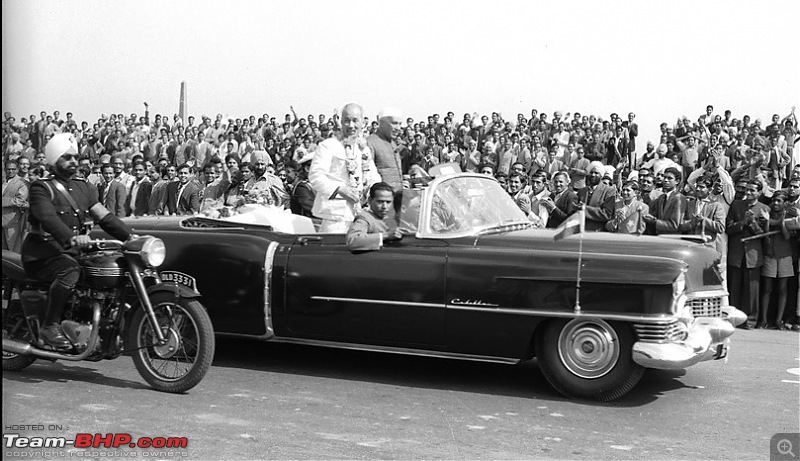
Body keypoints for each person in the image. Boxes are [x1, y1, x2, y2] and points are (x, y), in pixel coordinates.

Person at [21, 133, 131, 349]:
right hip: (42, 254)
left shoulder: (85, 188)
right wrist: (72, 238)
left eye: (75, 156)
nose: (73, 161)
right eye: (67, 157)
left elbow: (105, 216)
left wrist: (131, 237)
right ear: (54, 160)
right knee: (70, 271)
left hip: (69, 252)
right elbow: (48, 218)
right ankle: (49, 327)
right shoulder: (41, 188)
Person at [309, 103, 381, 233]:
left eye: (355, 120)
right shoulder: (329, 145)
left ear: (363, 122)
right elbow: (315, 176)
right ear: (341, 122)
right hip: (335, 216)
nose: (351, 125)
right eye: (347, 121)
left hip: (361, 214)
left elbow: (374, 176)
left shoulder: (363, 149)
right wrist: (341, 190)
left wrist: (372, 190)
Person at [726, 179, 770, 329]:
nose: (748, 193)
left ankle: (750, 321)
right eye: (747, 190)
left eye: (752, 190)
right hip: (736, 253)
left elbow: (764, 234)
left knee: (752, 289)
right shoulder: (736, 205)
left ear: (759, 192)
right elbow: (729, 228)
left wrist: (753, 223)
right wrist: (742, 222)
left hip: (753, 254)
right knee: (735, 287)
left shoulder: (764, 208)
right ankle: (733, 319)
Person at [758, 191, 797, 329]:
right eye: (774, 200)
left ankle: (778, 321)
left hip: (785, 255)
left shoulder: (789, 216)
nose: (775, 203)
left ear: (784, 203)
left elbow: (786, 236)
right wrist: (769, 221)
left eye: (779, 201)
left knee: (782, 289)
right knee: (767, 289)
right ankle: (763, 320)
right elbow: (765, 236)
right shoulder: (765, 214)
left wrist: (781, 222)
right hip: (770, 254)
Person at [345, 182, 403, 251]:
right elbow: (353, 241)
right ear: (370, 200)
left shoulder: (395, 217)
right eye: (380, 202)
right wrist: (386, 235)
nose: (384, 206)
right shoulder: (365, 218)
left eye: (388, 202)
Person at [367, 107, 404, 192]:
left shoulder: (393, 143)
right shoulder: (370, 143)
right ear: (382, 123)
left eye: (400, 124)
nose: (398, 128)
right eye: (394, 123)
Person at [643, 167, 686, 235]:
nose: (665, 180)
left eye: (669, 178)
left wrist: (655, 222)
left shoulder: (679, 198)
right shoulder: (661, 197)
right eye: (664, 177)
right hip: (660, 237)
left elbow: (675, 225)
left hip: (673, 238)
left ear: (677, 181)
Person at [575, 161, 616, 231]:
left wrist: (584, 208)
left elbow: (606, 214)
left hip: (598, 232)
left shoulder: (608, 191)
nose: (593, 175)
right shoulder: (582, 191)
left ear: (601, 175)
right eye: (591, 172)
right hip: (581, 230)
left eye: (596, 173)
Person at [2, 160, 29, 252]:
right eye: (8, 169)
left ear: (17, 170)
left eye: (13, 169)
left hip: (12, 220)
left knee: (13, 249)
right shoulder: (3, 181)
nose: (10, 171)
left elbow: (20, 200)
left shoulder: (22, 182)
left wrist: (3, 202)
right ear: (5, 169)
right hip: (3, 219)